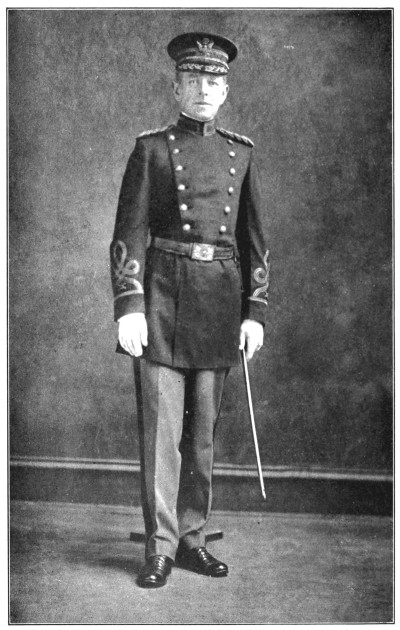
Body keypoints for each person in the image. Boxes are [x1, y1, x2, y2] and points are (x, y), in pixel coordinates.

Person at [110, 31, 270, 588]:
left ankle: (191, 539)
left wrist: (255, 313)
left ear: (225, 92)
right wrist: (129, 305)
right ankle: (159, 546)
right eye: (194, 79)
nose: (204, 89)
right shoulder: (152, 149)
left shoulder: (241, 153)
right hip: (160, 299)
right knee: (160, 434)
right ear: (176, 87)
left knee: (201, 434)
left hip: (219, 302)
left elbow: (254, 241)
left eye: (213, 82)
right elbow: (128, 231)